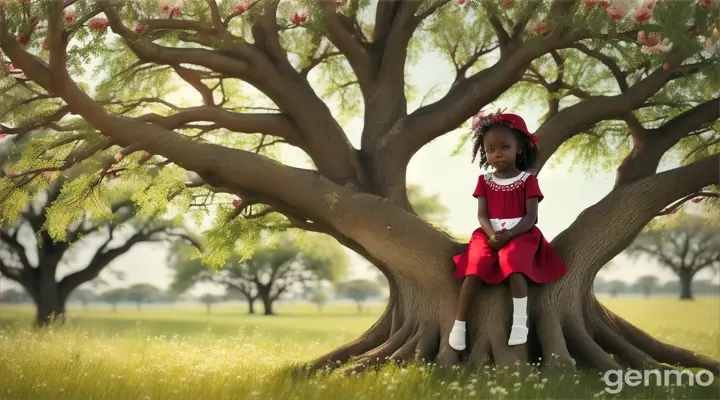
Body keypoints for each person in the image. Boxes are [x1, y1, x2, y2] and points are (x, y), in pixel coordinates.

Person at [448, 110, 568, 351]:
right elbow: (482, 214)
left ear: (519, 148)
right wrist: (492, 233)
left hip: (521, 233)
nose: (497, 154)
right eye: (490, 150)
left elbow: (531, 217)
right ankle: (459, 324)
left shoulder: (527, 180)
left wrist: (510, 235)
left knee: (513, 262)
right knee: (475, 266)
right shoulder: (485, 181)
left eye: (504, 147)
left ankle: (519, 323)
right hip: (488, 232)